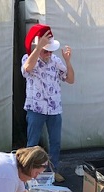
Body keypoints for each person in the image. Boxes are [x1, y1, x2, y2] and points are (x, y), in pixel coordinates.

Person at [21, 24, 75, 183]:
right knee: (32, 143)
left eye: (50, 50)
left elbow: (71, 80)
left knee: (55, 142)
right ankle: (28, 172)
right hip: (35, 108)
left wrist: (67, 61)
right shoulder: (28, 58)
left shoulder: (55, 60)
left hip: (54, 108)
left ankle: (53, 171)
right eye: (46, 50)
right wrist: (38, 48)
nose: (48, 53)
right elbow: (27, 68)